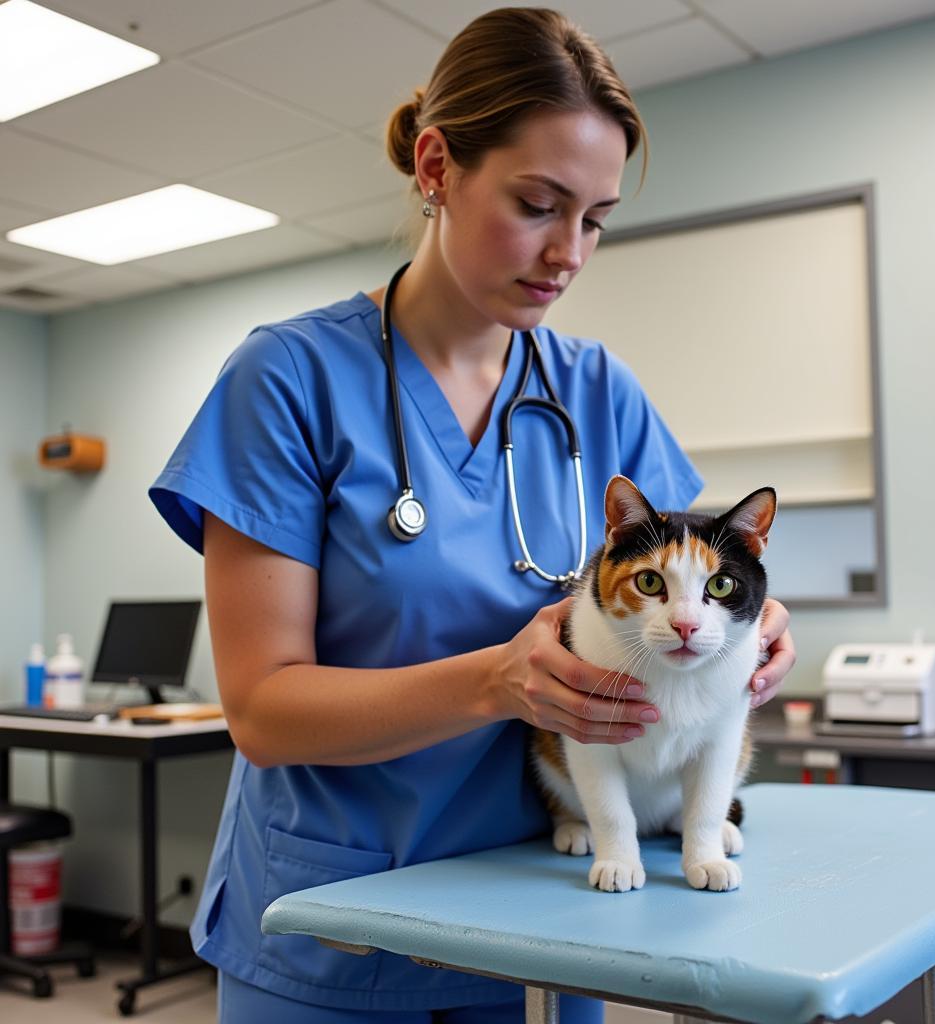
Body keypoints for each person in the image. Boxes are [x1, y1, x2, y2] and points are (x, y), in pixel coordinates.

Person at [150, 8, 795, 1022]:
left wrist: (755, 630)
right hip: (335, 911)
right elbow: (262, 711)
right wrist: (500, 681)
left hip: (543, 911)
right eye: (539, 204)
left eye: (594, 219)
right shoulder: (287, 380)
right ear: (437, 166)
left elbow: (701, 566)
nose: (569, 251)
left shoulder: (597, 392)